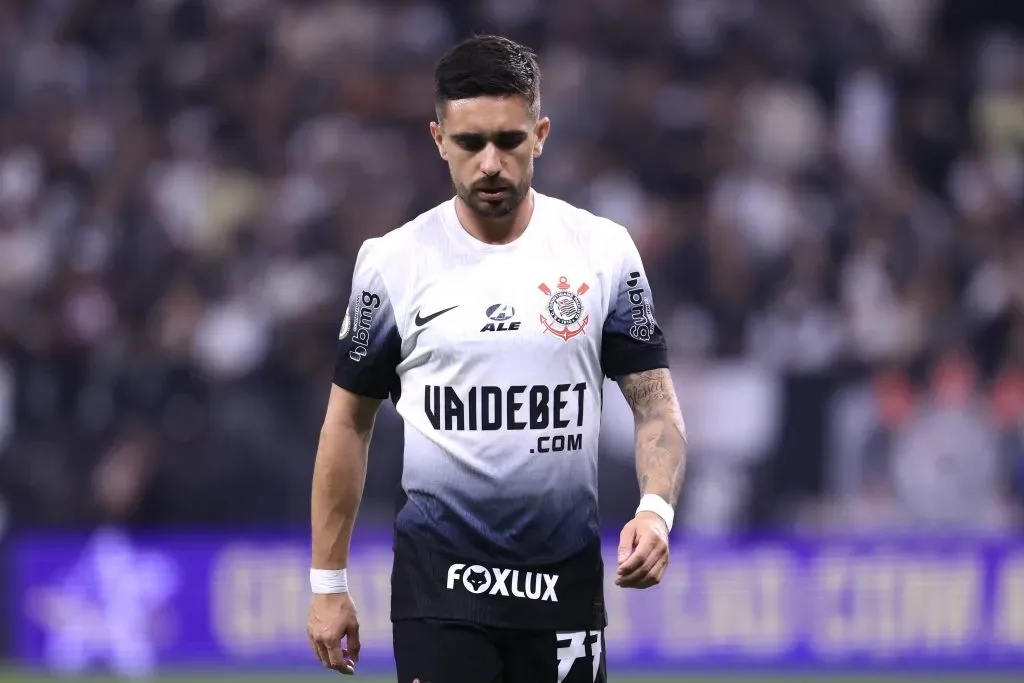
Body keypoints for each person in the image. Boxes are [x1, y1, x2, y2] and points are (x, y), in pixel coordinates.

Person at [306, 34, 687, 683]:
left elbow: (653, 401)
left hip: (563, 592)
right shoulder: (392, 265)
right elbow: (348, 421)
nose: (490, 163)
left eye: (509, 141)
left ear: (540, 134)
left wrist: (656, 510)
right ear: (438, 140)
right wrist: (327, 580)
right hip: (441, 594)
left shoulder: (603, 253)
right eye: (469, 142)